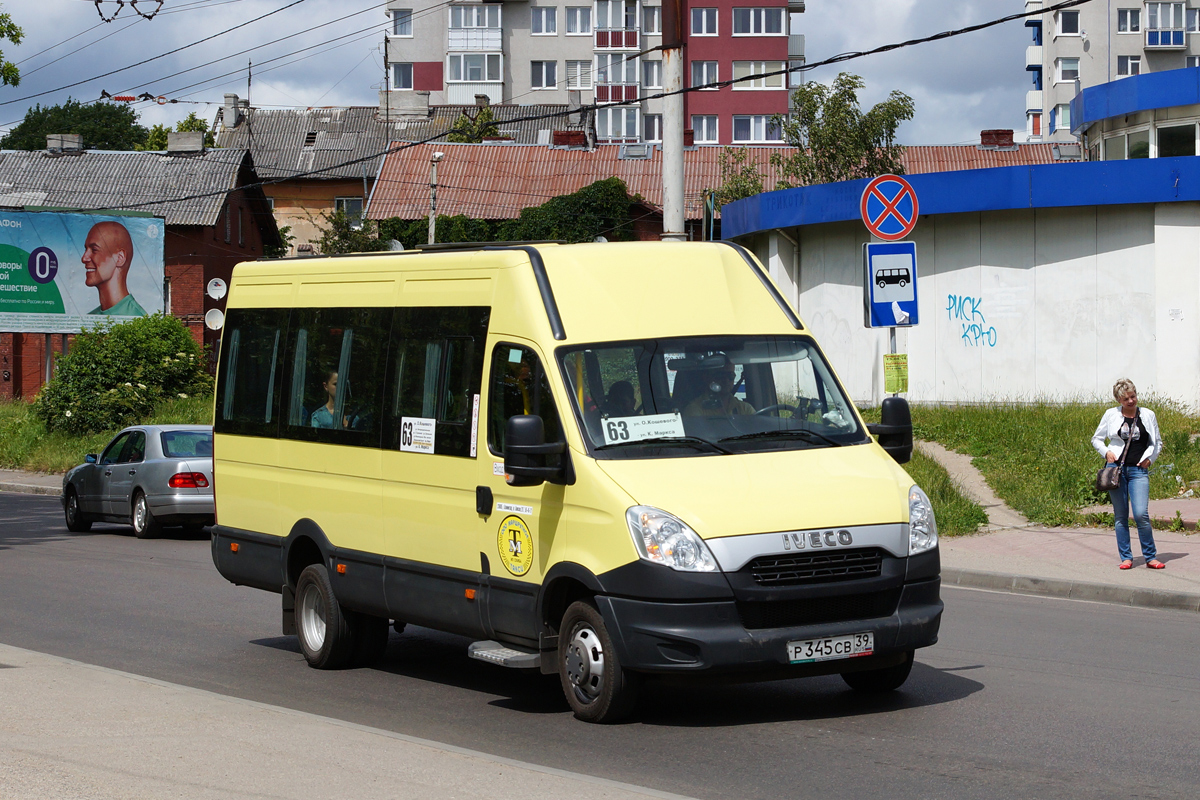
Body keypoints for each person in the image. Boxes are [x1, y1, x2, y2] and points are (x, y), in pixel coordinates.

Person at [1091, 378, 1165, 570]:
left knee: (1141, 514)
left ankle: (1150, 557)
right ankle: (1126, 557)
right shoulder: (1111, 415)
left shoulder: (1148, 414)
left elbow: (1157, 442)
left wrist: (1151, 459)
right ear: (1119, 400)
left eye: (1133, 396)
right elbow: (1097, 439)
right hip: (1115, 470)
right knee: (1120, 516)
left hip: (1139, 470)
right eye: (1126, 399)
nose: (1131, 401)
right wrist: (1106, 452)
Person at [81, 221, 146, 316]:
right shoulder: (90, 319)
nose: (84, 258)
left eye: (94, 250)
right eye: (86, 249)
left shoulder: (137, 320)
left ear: (120, 258)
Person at [684, 362, 755, 417]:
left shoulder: (745, 409)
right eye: (721, 375)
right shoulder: (695, 409)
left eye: (730, 376)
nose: (726, 380)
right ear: (707, 378)